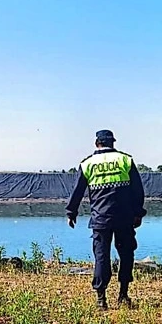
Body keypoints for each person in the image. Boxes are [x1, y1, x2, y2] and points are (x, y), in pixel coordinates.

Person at [65, 129, 147, 310]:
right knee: (126, 255)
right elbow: (137, 190)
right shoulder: (125, 160)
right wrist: (138, 213)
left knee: (102, 257)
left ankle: (101, 299)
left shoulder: (88, 164)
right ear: (113, 143)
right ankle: (123, 295)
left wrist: (72, 212)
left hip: (100, 219)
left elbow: (77, 191)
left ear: (97, 143)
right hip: (125, 218)